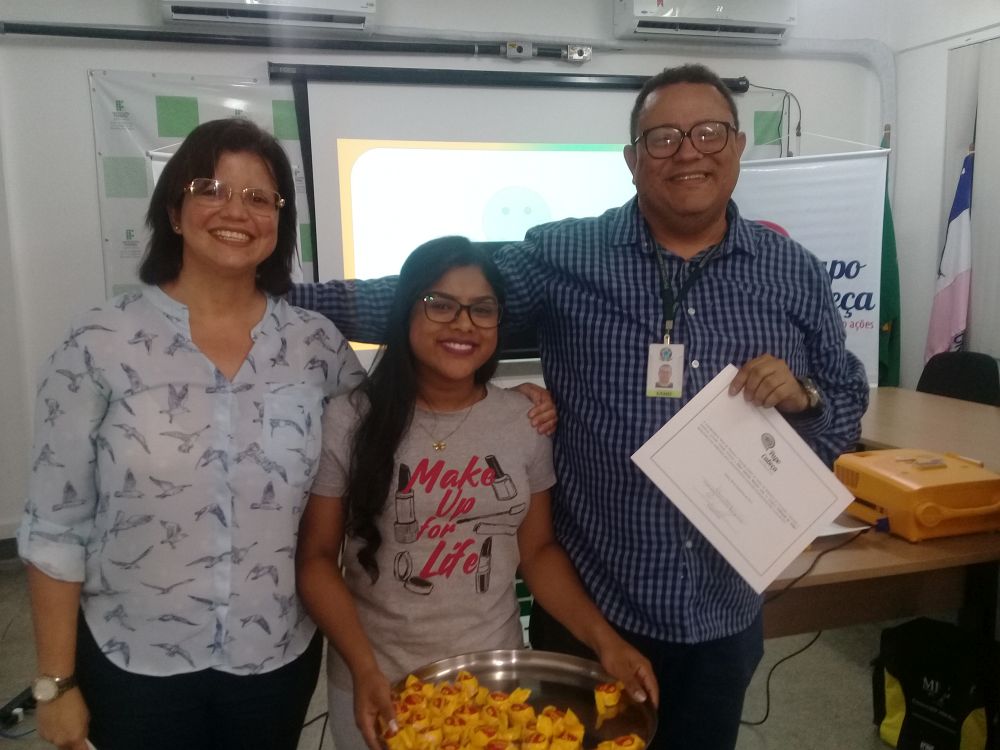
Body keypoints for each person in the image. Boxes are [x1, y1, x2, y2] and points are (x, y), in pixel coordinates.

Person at [288, 63, 870, 750]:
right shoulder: (569, 254)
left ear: (738, 145)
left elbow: (846, 403)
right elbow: (433, 298)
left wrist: (806, 398)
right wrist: (274, 298)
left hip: (724, 612)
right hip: (593, 609)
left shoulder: (793, 272)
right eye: (662, 138)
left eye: (709, 132)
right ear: (631, 159)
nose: (687, 151)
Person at [18, 118, 366, 750]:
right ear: (174, 212)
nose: (236, 211)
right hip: (132, 657)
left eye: (259, 197)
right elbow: (55, 526)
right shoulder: (100, 342)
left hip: (273, 657)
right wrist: (56, 683)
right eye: (211, 189)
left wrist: (515, 401)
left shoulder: (315, 348)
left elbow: (390, 430)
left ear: (279, 223)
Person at [295, 236, 659, 750]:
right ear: (406, 311)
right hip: (376, 683)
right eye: (440, 304)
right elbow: (315, 560)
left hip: (492, 682)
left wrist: (606, 642)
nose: (463, 323)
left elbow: (537, 552)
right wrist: (363, 666)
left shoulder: (524, 420)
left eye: (482, 309)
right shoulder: (349, 418)